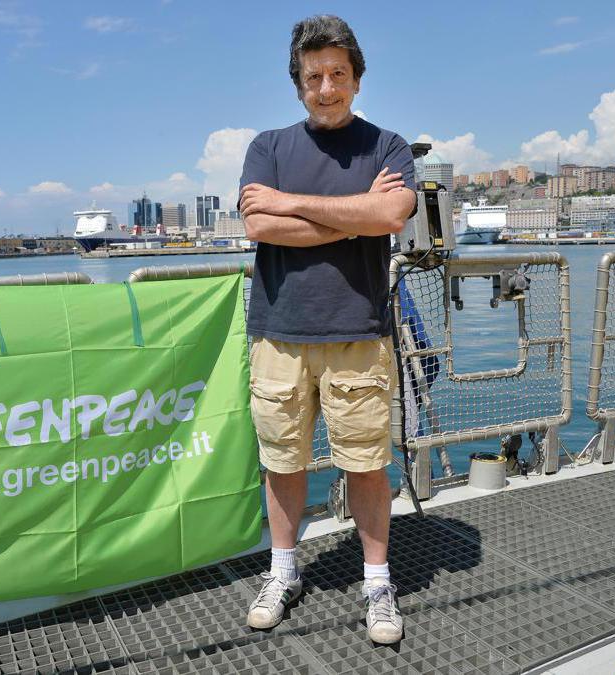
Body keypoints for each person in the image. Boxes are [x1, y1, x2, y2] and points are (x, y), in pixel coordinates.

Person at [238, 15, 417, 644]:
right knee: (282, 462)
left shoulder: (387, 146)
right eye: (313, 76)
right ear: (298, 85)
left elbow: (392, 211)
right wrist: (354, 217)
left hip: (357, 331)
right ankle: (282, 571)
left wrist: (294, 203)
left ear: (357, 79)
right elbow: (259, 227)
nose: (326, 87)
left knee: (366, 463)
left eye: (338, 74)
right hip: (279, 332)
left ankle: (377, 583)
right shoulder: (268, 147)